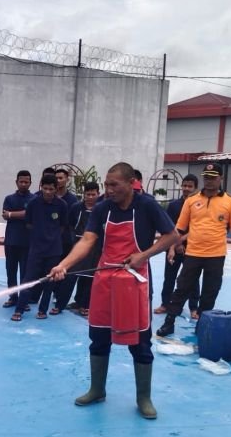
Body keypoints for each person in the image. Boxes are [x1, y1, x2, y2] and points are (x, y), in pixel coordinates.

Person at [50, 162, 178, 419]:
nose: (108, 190)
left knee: (140, 343)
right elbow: (88, 240)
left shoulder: (147, 206)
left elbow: (172, 236)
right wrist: (63, 264)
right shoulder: (101, 209)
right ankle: (97, 389)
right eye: (106, 184)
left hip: (134, 282)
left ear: (131, 183)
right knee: (99, 337)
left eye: (114, 185)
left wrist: (144, 255)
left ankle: (144, 398)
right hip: (105, 280)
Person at [156, 163, 231, 337]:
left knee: (209, 293)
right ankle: (169, 323)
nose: (209, 181)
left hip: (216, 255)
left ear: (221, 179)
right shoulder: (191, 201)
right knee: (181, 289)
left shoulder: (229, 202)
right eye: (206, 177)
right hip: (193, 254)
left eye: (213, 177)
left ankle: (202, 326)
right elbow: (179, 229)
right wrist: (173, 247)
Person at [11, 174, 68, 320]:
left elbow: (62, 227)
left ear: (56, 189)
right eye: (45, 188)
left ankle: (42, 311)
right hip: (36, 250)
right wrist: (40, 236)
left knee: (49, 281)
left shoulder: (62, 205)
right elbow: (29, 224)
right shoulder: (33, 204)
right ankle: (19, 310)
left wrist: (51, 237)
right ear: (41, 187)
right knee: (28, 279)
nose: (48, 192)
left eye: (51, 189)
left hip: (54, 251)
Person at [155, 174, 200, 317]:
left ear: (195, 188)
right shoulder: (174, 205)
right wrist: (173, 246)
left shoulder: (199, 206)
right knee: (169, 276)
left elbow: (197, 228)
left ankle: (194, 307)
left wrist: (180, 242)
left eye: (190, 186)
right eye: (184, 185)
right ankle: (165, 304)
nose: (186, 189)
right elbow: (169, 227)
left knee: (193, 278)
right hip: (172, 247)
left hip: (192, 248)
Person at [67, 180, 102, 316]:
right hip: (78, 244)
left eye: (93, 194)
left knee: (90, 276)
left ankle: (86, 304)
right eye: (88, 194)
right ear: (84, 194)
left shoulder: (101, 209)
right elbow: (70, 224)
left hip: (95, 246)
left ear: (98, 194)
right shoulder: (76, 207)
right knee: (75, 275)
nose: (90, 197)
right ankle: (77, 301)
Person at [1, 170, 33, 309]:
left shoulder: (34, 199)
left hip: (28, 242)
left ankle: (24, 300)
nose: (24, 184)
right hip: (11, 241)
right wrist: (22, 215)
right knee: (11, 270)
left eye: (26, 182)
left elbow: (31, 216)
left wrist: (12, 214)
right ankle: (13, 297)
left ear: (30, 183)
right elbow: (4, 215)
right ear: (16, 182)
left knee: (25, 272)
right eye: (21, 181)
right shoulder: (9, 198)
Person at [51, 168, 80, 313]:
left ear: (67, 179)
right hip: (50, 241)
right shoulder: (49, 197)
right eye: (56, 178)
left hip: (66, 241)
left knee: (64, 270)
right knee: (52, 267)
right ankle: (49, 292)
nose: (58, 180)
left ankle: (59, 297)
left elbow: (73, 221)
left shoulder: (72, 200)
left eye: (61, 178)